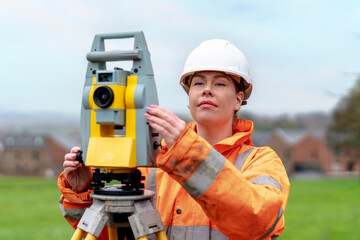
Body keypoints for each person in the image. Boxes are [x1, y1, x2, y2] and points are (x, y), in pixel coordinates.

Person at [58, 39, 290, 240]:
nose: (207, 90)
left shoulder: (260, 161)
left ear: (238, 99)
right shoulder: (155, 161)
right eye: (198, 83)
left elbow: (256, 221)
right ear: (189, 98)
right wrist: (85, 192)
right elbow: (116, 233)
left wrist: (186, 150)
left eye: (219, 83)